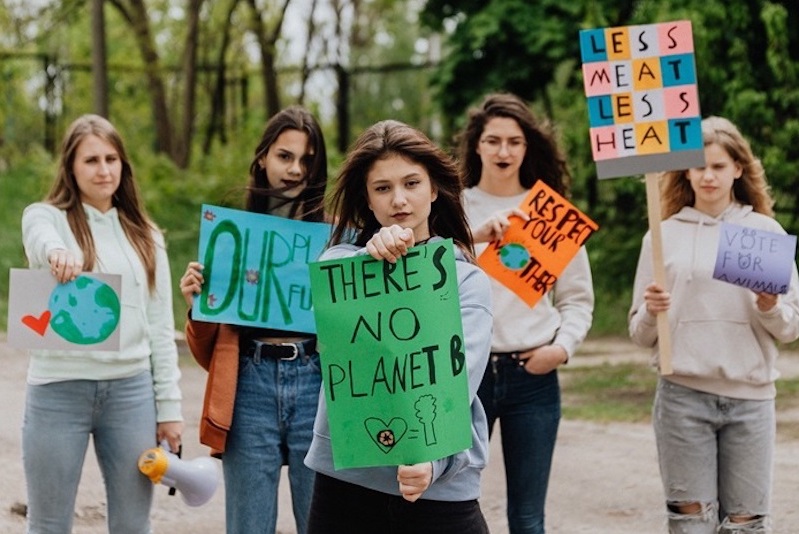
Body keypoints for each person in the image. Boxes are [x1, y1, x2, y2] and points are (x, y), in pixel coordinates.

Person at [303, 119, 494, 534]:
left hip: (438, 491)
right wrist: (368, 262)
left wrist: (434, 462)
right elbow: (331, 300)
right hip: (345, 486)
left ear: (434, 189)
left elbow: (457, 387)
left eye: (411, 183)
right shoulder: (341, 265)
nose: (399, 199)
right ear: (368, 200)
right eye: (382, 188)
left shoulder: (467, 281)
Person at [628, 116, 799, 533]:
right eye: (700, 165)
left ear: (738, 169)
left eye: (719, 166)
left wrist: (769, 306)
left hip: (750, 400)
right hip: (682, 398)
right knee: (691, 525)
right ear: (686, 170)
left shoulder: (764, 232)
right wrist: (652, 310)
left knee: (746, 524)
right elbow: (638, 332)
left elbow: (790, 328)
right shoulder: (661, 234)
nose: (708, 176)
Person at [20, 114, 184, 533]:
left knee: (133, 524)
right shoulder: (48, 218)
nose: (104, 169)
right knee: (48, 524)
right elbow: (37, 235)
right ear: (71, 167)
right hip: (57, 391)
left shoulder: (146, 235)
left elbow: (160, 328)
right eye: (91, 160)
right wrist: (57, 251)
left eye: (112, 158)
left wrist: (169, 410)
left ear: (123, 165)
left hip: (130, 393)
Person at [180, 106, 328, 534]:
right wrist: (198, 304)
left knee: (322, 521)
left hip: (317, 381)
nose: (295, 169)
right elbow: (205, 351)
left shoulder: (337, 237)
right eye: (285, 156)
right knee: (248, 525)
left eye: (307, 160)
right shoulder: (232, 236)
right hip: (248, 382)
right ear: (262, 158)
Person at [457, 92, 594, 534]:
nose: (503, 151)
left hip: (532, 376)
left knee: (528, 518)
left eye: (514, 142)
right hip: (465, 375)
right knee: (453, 509)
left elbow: (577, 300)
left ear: (527, 147)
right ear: (476, 145)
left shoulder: (551, 214)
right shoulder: (451, 209)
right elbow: (431, 279)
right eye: (493, 140)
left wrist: (562, 348)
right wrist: (473, 241)